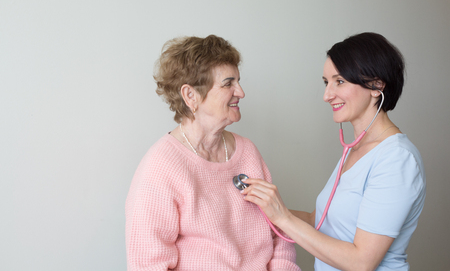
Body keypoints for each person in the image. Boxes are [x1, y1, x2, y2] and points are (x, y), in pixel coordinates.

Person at [242, 32, 426, 271]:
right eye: (326, 82)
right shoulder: (356, 148)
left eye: (339, 81)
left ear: (376, 85)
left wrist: (282, 218)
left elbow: (362, 262)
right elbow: (318, 221)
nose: (327, 95)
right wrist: (256, 209)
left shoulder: (397, 159)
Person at [125, 35, 300, 271]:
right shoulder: (160, 167)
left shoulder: (247, 152)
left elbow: (279, 232)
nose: (241, 92)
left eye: (238, 81)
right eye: (228, 83)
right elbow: (147, 265)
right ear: (190, 96)